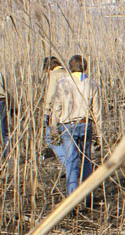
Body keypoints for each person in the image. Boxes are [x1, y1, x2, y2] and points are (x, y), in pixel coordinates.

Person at [47, 54, 102, 195]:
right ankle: (87, 195)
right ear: (85, 67)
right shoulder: (92, 84)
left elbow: (57, 107)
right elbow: (97, 111)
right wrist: (99, 133)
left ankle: (72, 197)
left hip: (67, 126)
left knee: (71, 162)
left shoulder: (63, 83)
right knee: (86, 161)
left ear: (70, 67)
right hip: (85, 125)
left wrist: (53, 127)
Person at [41, 56, 66, 163]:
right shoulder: (69, 73)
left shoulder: (53, 75)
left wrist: (46, 111)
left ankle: (66, 162)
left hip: (56, 111)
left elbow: (50, 95)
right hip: (70, 111)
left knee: (50, 138)